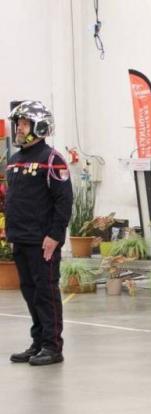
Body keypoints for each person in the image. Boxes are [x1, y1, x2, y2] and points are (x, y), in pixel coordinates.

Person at [6, 100, 73, 366]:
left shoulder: (52, 159)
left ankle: (52, 346)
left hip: (43, 241)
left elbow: (64, 201)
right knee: (29, 292)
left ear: (39, 126)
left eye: (24, 123)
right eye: (18, 124)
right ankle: (38, 342)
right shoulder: (14, 161)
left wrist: (54, 236)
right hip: (20, 238)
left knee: (46, 292)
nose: (19, 129)